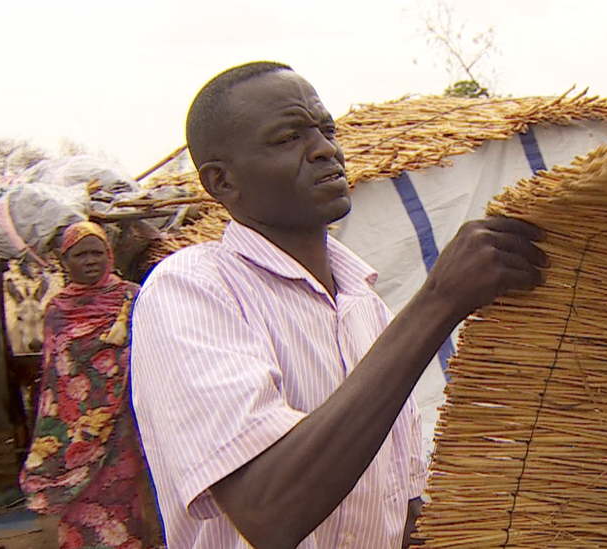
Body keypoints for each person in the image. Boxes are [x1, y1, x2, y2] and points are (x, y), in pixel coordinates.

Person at [129, 61, 547, 549]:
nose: (326, 149)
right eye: (288, 138)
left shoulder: (364, 306)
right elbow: (267, 511)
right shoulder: (191, 290)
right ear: (222, 182)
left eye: (326, 130)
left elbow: (401, 507)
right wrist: (438, 302)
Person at [19, 221, 163, 548]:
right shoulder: (57, 309)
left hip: (124, 423)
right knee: (83, 498)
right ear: (65, 262)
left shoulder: (131, 297)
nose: (90, 261)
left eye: (96, 253)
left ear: (109, 255)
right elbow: (56, 377)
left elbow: (151, 354)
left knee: (127, 493)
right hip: (76, 429)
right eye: (80, 254)